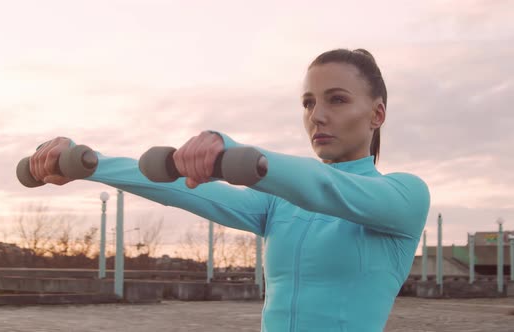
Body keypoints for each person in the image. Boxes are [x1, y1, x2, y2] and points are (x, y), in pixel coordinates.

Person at [29, 48, 430, 332]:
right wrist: (91, 164)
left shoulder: (404, 197)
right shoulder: (280, 202)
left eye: (337, 100)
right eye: (308, 103)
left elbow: (323, 186)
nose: (317, 116)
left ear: (377, 114)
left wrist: (232, 151)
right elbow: (184, 190)